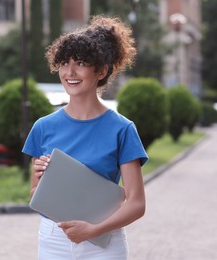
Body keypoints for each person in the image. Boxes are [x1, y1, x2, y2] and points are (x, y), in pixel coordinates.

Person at [22, 15, 148, 259]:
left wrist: (94, 230)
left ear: (101, 71)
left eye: (80, 63)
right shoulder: (43, 127)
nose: (70, 72)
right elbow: (34, 195)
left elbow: (136, 203)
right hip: (53, 240)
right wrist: (39, 180)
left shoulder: (122, 129)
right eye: (64, 63)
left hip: (103, 242)